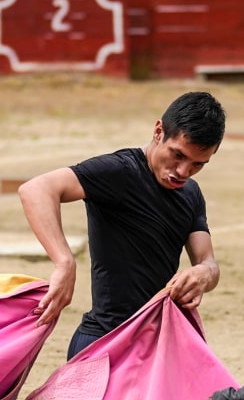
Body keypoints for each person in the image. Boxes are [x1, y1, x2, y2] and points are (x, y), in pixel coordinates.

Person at [19, 91, 227, 360]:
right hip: (103, 344)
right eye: (177, 155)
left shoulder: (191, 194)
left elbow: (208, 261)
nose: (183, 171)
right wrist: (64, 262)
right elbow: (36, 189)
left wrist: (203, 274)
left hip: (156, 345)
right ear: (158, 131)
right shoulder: (120, 171)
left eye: (198, 164)